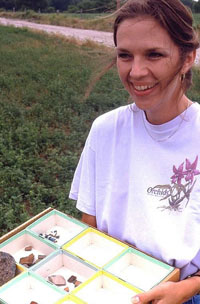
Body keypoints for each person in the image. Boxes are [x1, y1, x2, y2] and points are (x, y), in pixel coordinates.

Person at [69, 0, 200, 303]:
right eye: (125, 55)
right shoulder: (105, 129)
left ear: (187, 58)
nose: (136, 72)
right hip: (108, 282)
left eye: (154, 54)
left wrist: (187, 288)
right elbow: (89, 223)